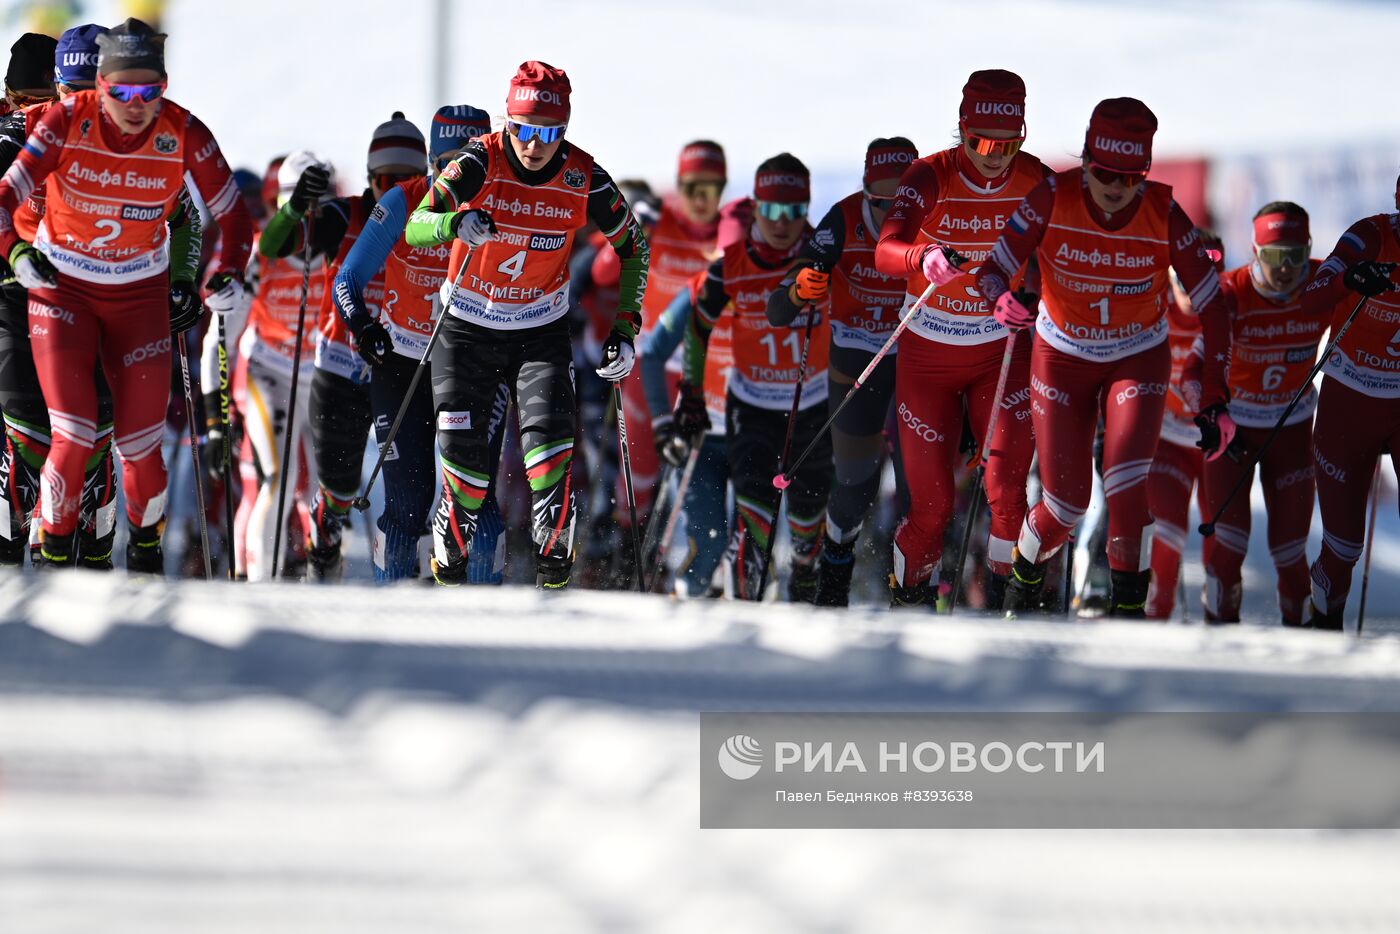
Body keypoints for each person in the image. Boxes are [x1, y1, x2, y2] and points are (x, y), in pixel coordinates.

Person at [0, 17, 252, 572]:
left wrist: (190, 280)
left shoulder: (162, 132)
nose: (49, 107)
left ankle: (117, 555)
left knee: (118, 444)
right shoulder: (38, 129)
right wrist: (14, 256)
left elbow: (200, 219)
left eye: (76, 92)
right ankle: (31, 554)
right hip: (39, 296)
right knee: (49, 435)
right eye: (61, 93)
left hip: (122, 296)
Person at [975, 97, 1232, 617]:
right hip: (1062, 357)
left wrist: (1215, 396)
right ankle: (1019, 587)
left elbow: (1215, 306)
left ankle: (1127, 615)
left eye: (1130, 177)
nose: (1116, 189)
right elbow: (991, 270)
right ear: (1087, 160)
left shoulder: (1163, 211)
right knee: (1065, 504)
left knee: (1125, 485)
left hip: (1135, 357)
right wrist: (1001, 300)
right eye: (1105, 174)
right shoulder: (1051, 195)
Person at [406, 61, 650, 589]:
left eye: (546, 133)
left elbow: (635, 247)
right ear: (506, 123)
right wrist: (455, 222)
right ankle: (455, 516)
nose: (532, 145)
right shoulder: (479, 159)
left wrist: (625, 328)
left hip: (539, 329)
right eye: (520, 129)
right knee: (468, 473)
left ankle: (554, 537)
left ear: (563, 131)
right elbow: (416, 226)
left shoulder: (585, 176)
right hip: (467, 327)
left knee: (548, 455)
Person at [875, 70, 1052, 609]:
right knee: (931, 507)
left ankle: (1006, 603)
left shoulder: (1039, 181)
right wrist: (922, 258)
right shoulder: (930, 174)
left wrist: (1036, 295)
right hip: (928, 356)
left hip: (1000, 354)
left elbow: (1058, 249)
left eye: (1009, 143)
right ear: (961, 130)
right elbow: (886, 249)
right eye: (981, 142)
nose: (995, 155)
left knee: (1005, 495)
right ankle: (909, 606)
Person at [333, 103, 509, 584]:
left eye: (467, 163)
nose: (453, 177)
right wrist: (363, 328)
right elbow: (347, 278)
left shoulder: (504, 209)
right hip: (401, 369)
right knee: (407, 504)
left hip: (474, 369)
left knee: (475, 504)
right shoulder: (402, 202)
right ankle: (391, 616)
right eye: (441, 164)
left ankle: (488, 616)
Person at [256, 113, 428, 580]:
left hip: (404, 367)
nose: (392, 191)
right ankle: (326, 530)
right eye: (382, 180)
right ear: (369, 178)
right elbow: (274, 248)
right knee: (340, 485)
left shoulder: (435, 219)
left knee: (408, 483)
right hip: (341, 365)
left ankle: (402, 561)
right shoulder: (346, 214)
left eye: (406, 181)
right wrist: (295, 208)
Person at [766, 137, 916, 606]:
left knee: (920, 487)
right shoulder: (844, 218)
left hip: (918, 357)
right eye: (880, 202)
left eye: (902, 203)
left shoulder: (934, 221)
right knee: (857, 482)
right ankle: (835, 565)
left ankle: (917, 584)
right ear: (865, 192)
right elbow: (778, 310)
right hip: (856, 356)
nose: (892, 213)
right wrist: (800, 289)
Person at [676, 154, 828, 600]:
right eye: (773, 210)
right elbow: (698, 328)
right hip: (753, 406)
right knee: (754, 516)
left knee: (806, 520)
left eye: (795, 211)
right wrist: (691, 392)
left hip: (812, 403)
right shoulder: (732, 264)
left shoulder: (824, 253)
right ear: (756, 207)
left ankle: (803, 569)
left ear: (807, 209)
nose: (783, 223)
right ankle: (744, 612)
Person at [1200, 203, 1325, 625]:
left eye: (1295, 255)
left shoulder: (1323, 285)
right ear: (1254, 251)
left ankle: (1305, 643)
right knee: (1228, 548)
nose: (1286, 268)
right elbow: (1190, 367)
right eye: (1273, 256)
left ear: (1308, 249)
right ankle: (1218, 639)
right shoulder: (1229, 293)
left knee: (1291, 554)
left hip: (1290, 432)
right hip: (1233, 432)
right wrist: (1209, 416)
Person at [1299, 175, 1400, 630]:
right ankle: (1324, 621)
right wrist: (1350, 279)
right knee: (1343, 549)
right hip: (1350, 398)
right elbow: (1311, 298)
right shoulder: (1370, 235)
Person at [1143, 231, 1224, 619]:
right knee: (1167, 529)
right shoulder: (1155, 307)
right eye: (1182, 282)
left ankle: (1220, 620)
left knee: (1221, 534)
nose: (1192, 293)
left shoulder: (1228, 309)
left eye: (1204, 281)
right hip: (1169, 438)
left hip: (1217, 441)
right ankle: (1154, 620)